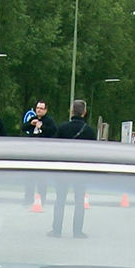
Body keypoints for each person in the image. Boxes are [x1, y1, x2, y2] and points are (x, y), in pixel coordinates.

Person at [49, 100, 96, 239]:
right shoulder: (89, 131)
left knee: (60, 200)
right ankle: (77, 231)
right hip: (81, 170)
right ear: (84, 112)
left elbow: (54, 148)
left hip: (64, 169)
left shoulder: (63, 128)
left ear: (71, 111)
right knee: (79, 201)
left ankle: (56, 230)